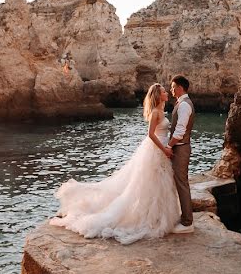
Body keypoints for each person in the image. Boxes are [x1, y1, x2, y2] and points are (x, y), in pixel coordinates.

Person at [49, 83, 180, 244]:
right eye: (164, 92)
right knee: (150, 184)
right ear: (158, 95)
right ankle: (151, 218)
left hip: (162, 148)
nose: (167, 93)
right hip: (157, 149)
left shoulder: (161, 110)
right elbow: (151, 135)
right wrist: (165, 149)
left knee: (159, 184)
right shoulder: (155, 113)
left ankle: (159, 216)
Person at [165, 74, 194, 234]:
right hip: (180, 147)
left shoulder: (184, 105)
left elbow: (180, 131)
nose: (171, 90)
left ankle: (187, 222)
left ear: (180, 88)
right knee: (179, 182)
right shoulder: (182, 103)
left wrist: (169, 146)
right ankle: (183, 217)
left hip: (181, 148)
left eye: (173, 87)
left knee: (182, 184)